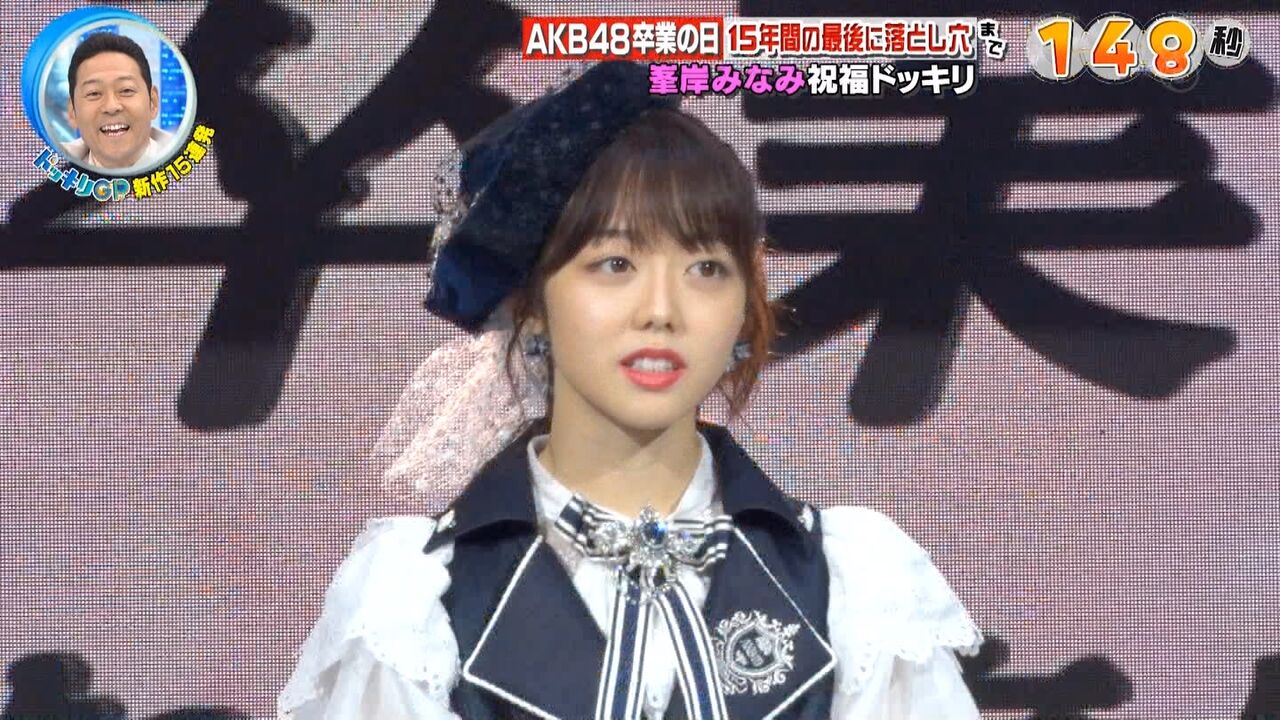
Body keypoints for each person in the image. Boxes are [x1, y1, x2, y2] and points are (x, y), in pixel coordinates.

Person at [277, 61, 983, 719]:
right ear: (532, 303)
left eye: (706, 269)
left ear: (745, 305)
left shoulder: (849, 582)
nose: (662, 309)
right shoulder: (422, 598)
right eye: (615, 263)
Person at [61, 32, 173, 171]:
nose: (111, 106)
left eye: (126, 90)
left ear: (153, 103)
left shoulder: (188, 163)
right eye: (94, 93)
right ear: (73, 112)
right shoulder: (53, 169)